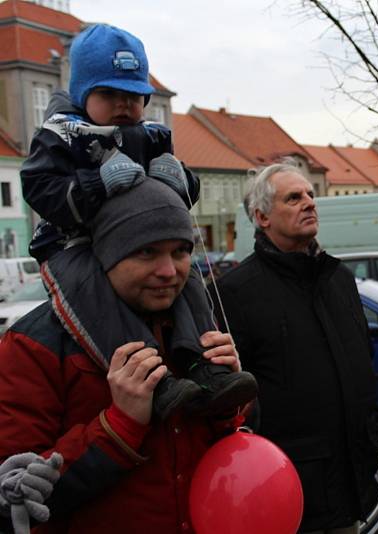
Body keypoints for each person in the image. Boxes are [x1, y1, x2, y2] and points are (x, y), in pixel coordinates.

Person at [20, 23, 256, 420]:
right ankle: (153, 380)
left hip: (145, 244)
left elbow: (179, 192)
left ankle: (205, 366)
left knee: (190, 284)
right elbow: (39, 188)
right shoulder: (62, 134)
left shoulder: (150, 135)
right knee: (94, 299)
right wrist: (96, 183)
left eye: (133, 95)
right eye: (108, 94)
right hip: (73, 245)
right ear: (82, 94)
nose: (123, 105)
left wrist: (181, 180)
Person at [0, 180, 249, 533]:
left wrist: (228, 408)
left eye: (180, 251)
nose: (170, 270)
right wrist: (119, 426)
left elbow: (226, 457)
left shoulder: (194, 326)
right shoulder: (33, 344)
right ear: (106, 256)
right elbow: (13, 503)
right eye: (147, 252)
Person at [212, 164, 378, 534]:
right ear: (262, 217)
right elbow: (230, 404)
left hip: (354, 479)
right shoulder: (234, 293)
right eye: (293, 198)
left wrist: (371, 435)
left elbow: (361, 362)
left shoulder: (340, 279)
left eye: (309, 194)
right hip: (289, 487)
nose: (309, 203)